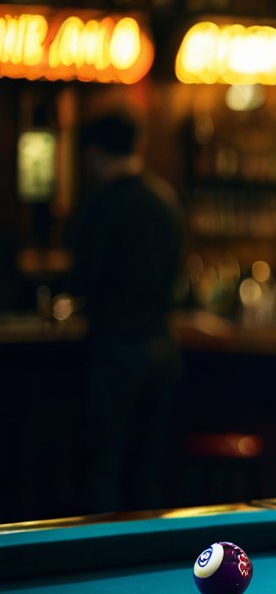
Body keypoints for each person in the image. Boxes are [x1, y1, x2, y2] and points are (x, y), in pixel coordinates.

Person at [70, 107, 184, 513]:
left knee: (106, 464)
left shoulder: (103, 203)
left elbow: (84, 276)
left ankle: (102, 557)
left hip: (117, 349)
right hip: (162, 348)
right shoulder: (165, 199)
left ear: (95, 154)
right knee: (147, 466)